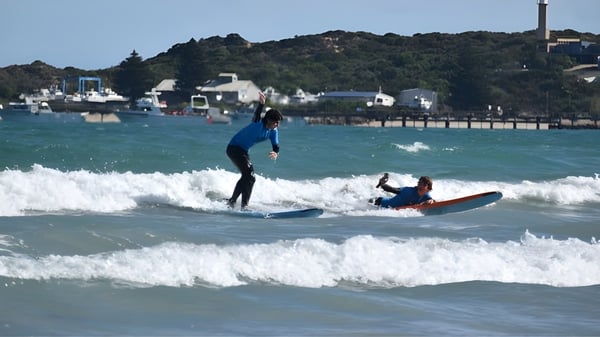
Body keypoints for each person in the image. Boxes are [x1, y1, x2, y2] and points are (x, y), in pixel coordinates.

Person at [226, 91, 283, 209]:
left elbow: (276, 146)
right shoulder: (258, 123)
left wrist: (276, 152)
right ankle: (244, 206)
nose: (277, 125)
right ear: (268, 120)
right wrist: (261, 104)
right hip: (234, 148)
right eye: (275, 122)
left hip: (243, 151)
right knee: (250, 177)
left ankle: (232, 201)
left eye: (278, 123)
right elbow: (257, 114)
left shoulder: (273, 131)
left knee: (247, 177)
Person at [370, 174, 435, 208]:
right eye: (419, 183)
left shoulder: (426, 195)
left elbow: (431, 200)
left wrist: (432, 201)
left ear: (428, 188)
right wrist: (382, 184)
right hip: (379, 203)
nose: (420, 185)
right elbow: (392, 189)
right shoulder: (408, 191)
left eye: (423, 184)